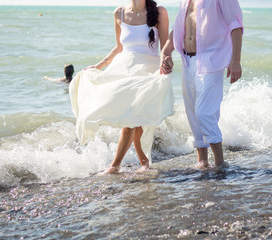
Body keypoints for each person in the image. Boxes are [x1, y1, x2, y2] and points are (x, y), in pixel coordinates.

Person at [69, 0, 174, 173]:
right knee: (133, 118)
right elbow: (119, 47)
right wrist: (97, 66)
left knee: (132, 120)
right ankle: (143, 162)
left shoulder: (159, 12)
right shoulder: (119, 13)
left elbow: (165, 47)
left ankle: (115, 166)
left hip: (147, 74)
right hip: (124, 70)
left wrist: (167, 61)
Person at [160, 0, 243, 171]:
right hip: (187, 61)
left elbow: (236, 26)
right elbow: (178, 28)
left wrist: (235, 61)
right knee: (192, 113)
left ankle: (220, 163)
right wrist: (165, 53)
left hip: (211, 60)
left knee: (204, 112)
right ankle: (202, 162)